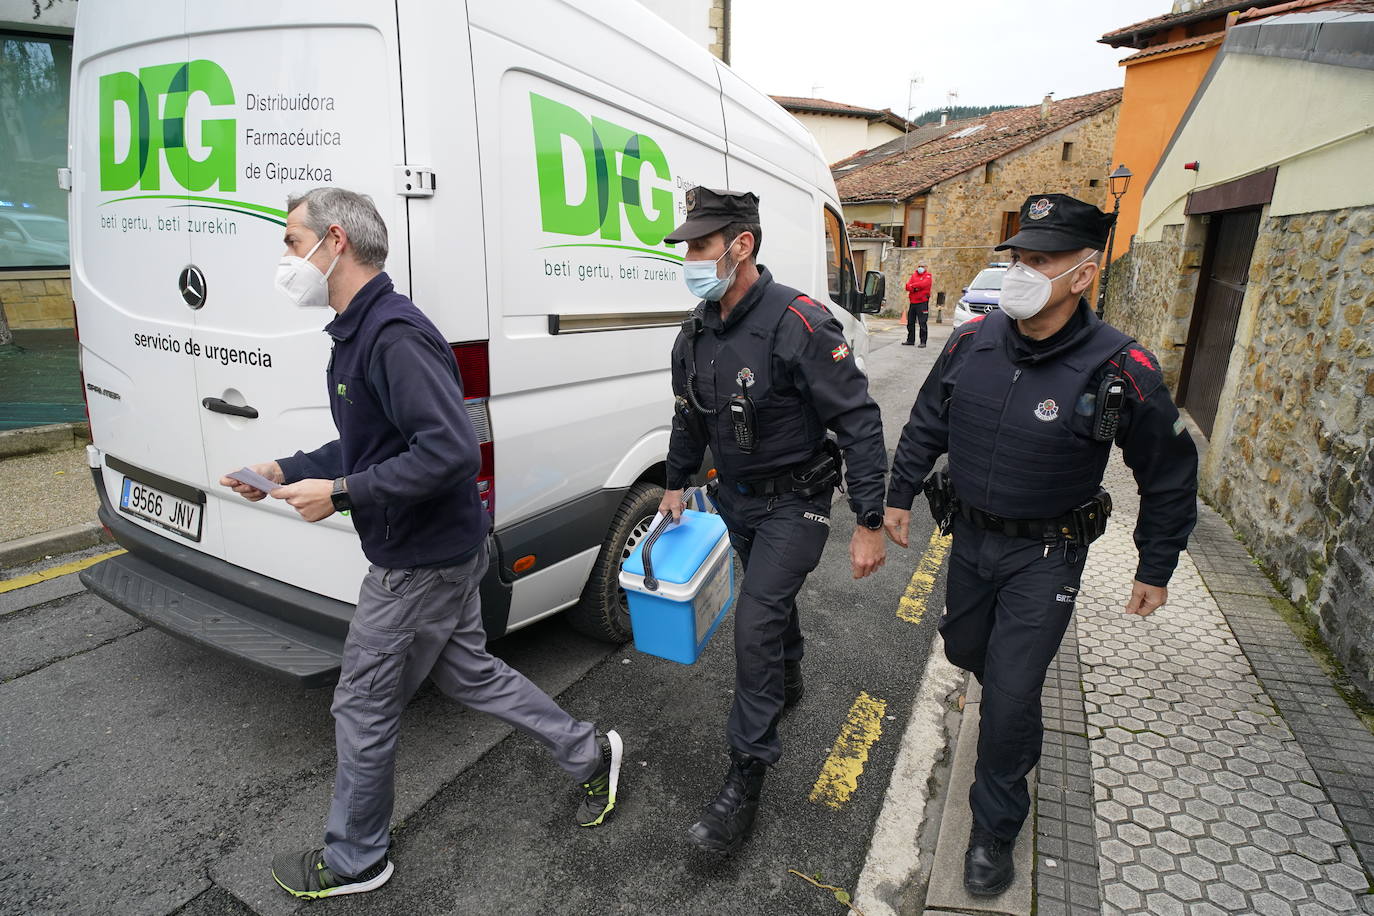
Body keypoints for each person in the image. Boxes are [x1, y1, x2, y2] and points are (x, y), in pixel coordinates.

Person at [221, 187, 623, 900]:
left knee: (363, 704)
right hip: (438, 549)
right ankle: (590, 752)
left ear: (333, 241)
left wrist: (341, 493)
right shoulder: (360, 330)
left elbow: (451, 453)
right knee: (468, 673)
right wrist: (288, 470)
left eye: (291, 241)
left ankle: (354, 860)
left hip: (419, 562)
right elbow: (369, 442)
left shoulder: (393, 335)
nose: (286, 257)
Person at [883, 194, 1198, 896]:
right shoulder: (974, 342)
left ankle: (994, 826)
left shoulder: (1121, 366)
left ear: (1083, 274)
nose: (1022, 271)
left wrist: (1156, 563)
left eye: (1041, 260)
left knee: (1014, 692)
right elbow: (928, 420)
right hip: (968, 540)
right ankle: (1009, 728)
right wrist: (899, 494)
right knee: (970, 655)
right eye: (1018, 258)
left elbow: (1170, 471)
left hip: (1046, 556)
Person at [660, 186, 889, 854]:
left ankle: (745, 778)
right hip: (736, 497)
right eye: (687, 247)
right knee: (766, 593)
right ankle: (788, 674)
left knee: (754, 619)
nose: (690, 259)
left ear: (742, 245)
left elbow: (859, 421)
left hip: (799, 500)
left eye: (701, 246)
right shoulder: (696, 330)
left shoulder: (800, 323)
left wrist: (870, 519)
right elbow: (688, 413)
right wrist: (676, 481)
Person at [903, 263, 933, 347]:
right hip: (913, 302)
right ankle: (910, 340)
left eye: (922, 266)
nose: (920, 268)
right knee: (910, 322)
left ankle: (923, 342)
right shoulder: (914, 276)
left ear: (926, 267)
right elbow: (907, 286)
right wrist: (915, 287)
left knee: (922, 323)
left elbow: (924, 284)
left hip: (922, 302)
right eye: (919, 266)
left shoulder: (928, 276)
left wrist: (913, 286)